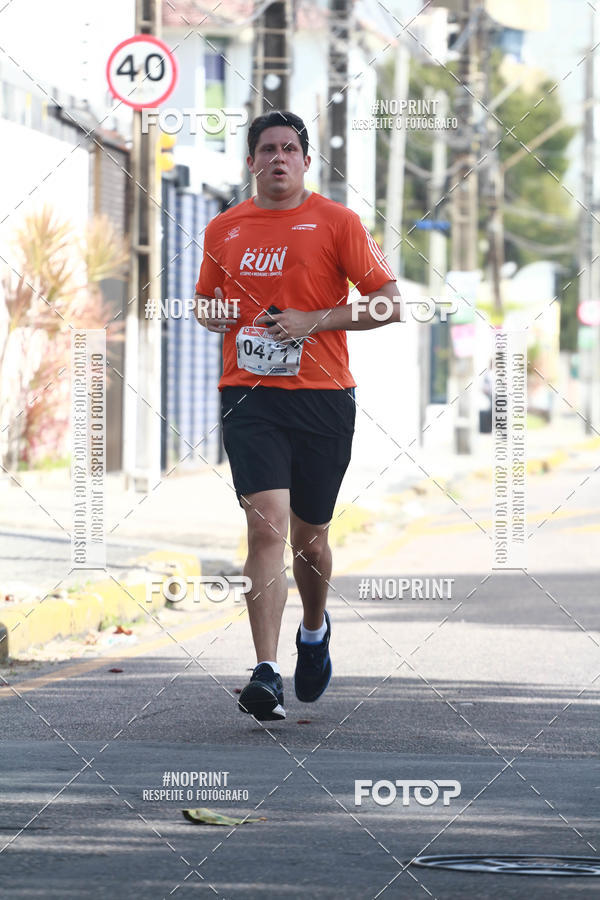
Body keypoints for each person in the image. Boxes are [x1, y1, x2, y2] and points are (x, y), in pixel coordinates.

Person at [195, 110, 400, 721]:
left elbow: (389, 304)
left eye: (289, 149)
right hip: (250, 394)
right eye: (267, 150)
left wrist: (317, 320)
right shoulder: (224, 228)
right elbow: (206, 302)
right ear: (251, 162)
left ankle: (313, 630)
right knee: (267, 527)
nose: (278, 158)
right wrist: (216, 314)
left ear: (306, 162)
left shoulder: (338, 223)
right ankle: (264, 670)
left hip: (324, 396)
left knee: (310, 540)